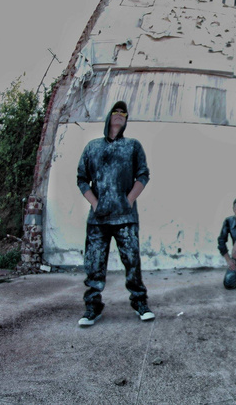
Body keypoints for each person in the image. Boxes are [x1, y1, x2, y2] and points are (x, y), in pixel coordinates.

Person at [76, 101, 155, 326]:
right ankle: (92, 307)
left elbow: (143, 175)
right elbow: (82, 178)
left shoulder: (132, 146)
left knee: (132, 260)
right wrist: (94, 203)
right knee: (94, 264)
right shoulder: (93, 147)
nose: (120, 115)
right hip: (98, 219)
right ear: (109, 116)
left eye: (123, 113)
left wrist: (128, 200)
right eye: (116, 111)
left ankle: (140, 302)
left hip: (126, 218)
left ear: (126, 119)